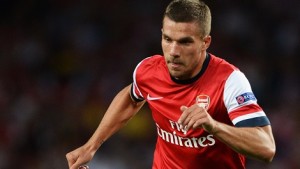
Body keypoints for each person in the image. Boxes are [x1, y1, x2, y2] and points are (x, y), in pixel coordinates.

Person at [66, 0, 276, 168]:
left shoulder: (229, 81)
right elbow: (132, 96)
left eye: (185, 42)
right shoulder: (148, 71)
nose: (174, 51)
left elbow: (266, 149)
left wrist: (214, 126)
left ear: (205, 42)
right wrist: (91, 146)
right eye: (168, 39)